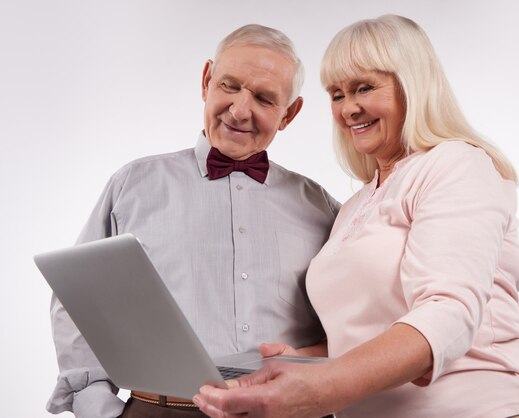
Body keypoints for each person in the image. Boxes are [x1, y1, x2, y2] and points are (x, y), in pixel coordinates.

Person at [193, 15, 519, 418]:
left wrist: (320, 390)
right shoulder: (352, 206)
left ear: (413, 84)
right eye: (336, 94)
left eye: (364, 87)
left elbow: (448, 311)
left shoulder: (456, 164)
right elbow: (365, 339)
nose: (349, 108)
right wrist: (302, 361)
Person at [46, 24, 340, 418]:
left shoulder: (322, 208)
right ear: (206, 80)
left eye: (265, 99)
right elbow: (77, 296)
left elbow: (354, 317)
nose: (240, 110)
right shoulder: (133, 185)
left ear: (289, 113)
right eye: (230, 86)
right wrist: (97, 405)